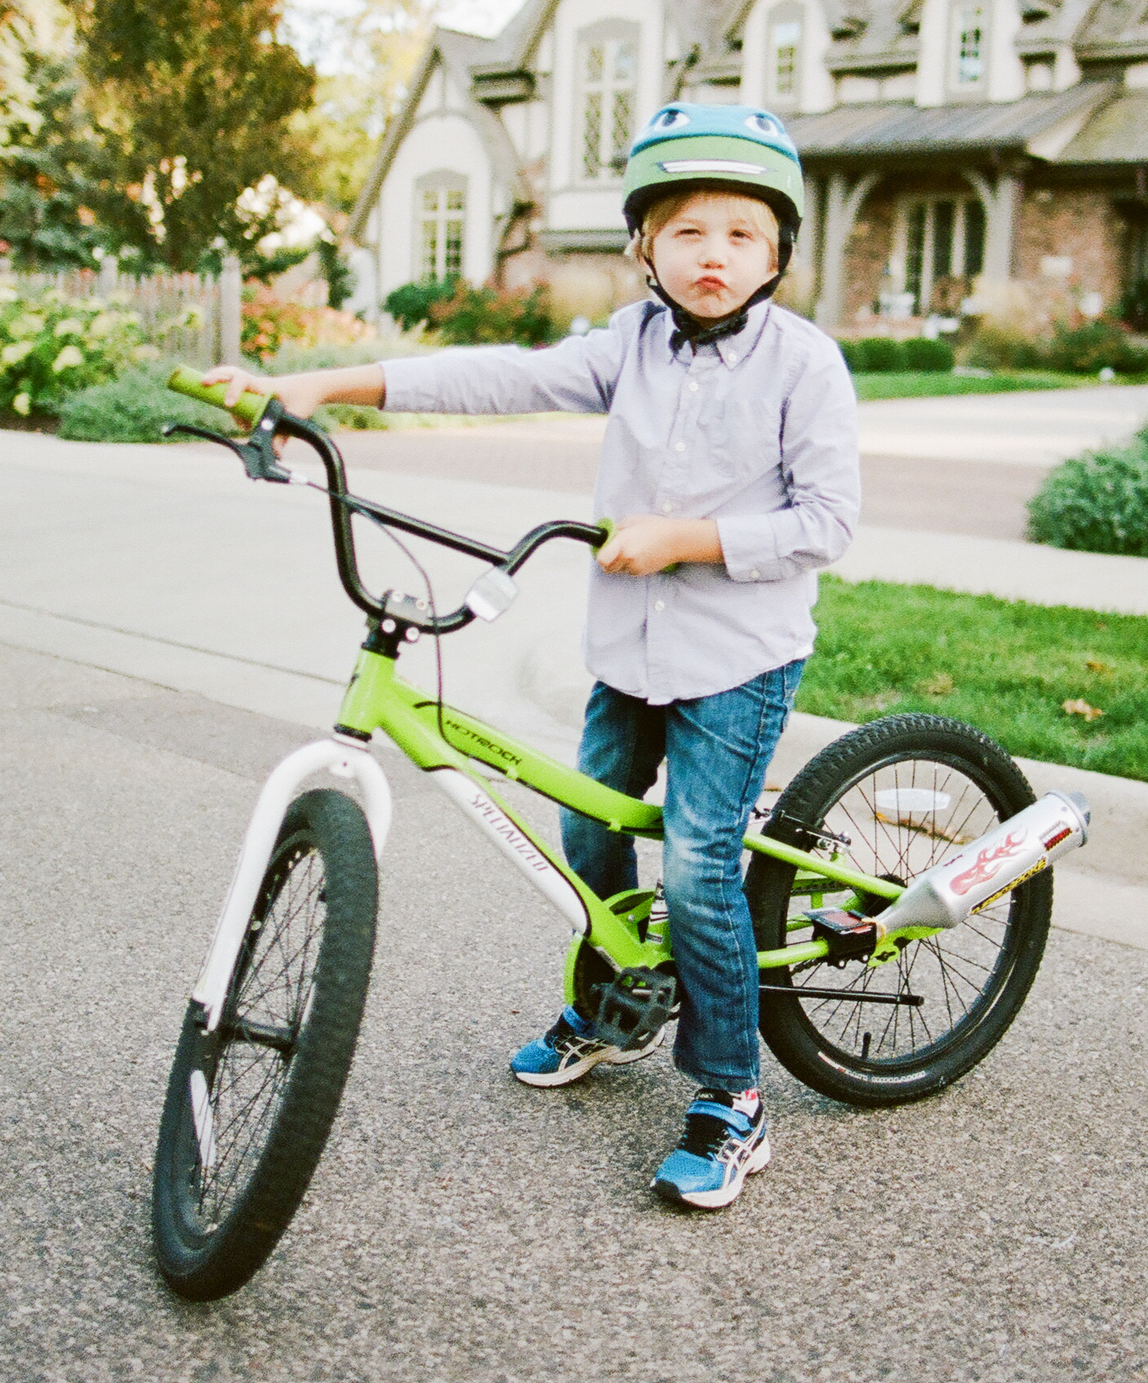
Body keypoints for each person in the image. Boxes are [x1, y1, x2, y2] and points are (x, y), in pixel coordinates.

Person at [199, 103, 859, 1209]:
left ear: (780, 250)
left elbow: (826, 522)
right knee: (586, 827)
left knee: (699, 867)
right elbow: (498, 375)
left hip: (737, 658)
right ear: (643, 246)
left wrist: (691, 540)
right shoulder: (630, 346)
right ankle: (615, 1003)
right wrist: (325, 386)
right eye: (688, 230)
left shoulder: (804, 365)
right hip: (631, 650)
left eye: (743, 234)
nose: (714, 254)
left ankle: (733, 1097)